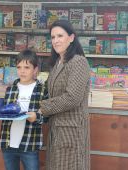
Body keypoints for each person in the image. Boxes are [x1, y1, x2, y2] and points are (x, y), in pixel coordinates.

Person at [27, 20, 91, 170]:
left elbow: (73, 98)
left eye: (60, 36)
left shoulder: (78, 62)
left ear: (71, 38)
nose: (56, 41)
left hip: (72, 132)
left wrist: (42, 108)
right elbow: (48, 92)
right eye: (53, 37)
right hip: (57, 130)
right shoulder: (57, 63)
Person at [0, 49, 48, 170]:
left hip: (29, 143)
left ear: (35, 70)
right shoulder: (10, 89)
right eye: (19, 67)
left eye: (27, 67)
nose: (22, 71)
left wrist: (37, 117)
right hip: (8, 142)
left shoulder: (42, 90)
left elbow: (47, 116)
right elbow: (5, 111)